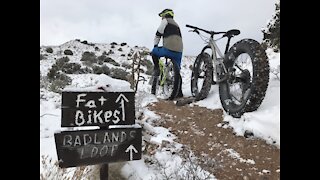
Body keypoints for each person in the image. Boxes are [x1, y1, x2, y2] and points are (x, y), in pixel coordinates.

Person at [150, 8, 183, 99]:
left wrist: (155, 46)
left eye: (162, 16)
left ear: (165, 15)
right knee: (177, 72)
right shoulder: (177, 25)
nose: (161, 18)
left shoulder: (165, 21)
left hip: (168, 49)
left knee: (154, 53)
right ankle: (179, 92)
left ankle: (156, 68)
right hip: (179, 52)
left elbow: (158, 34)